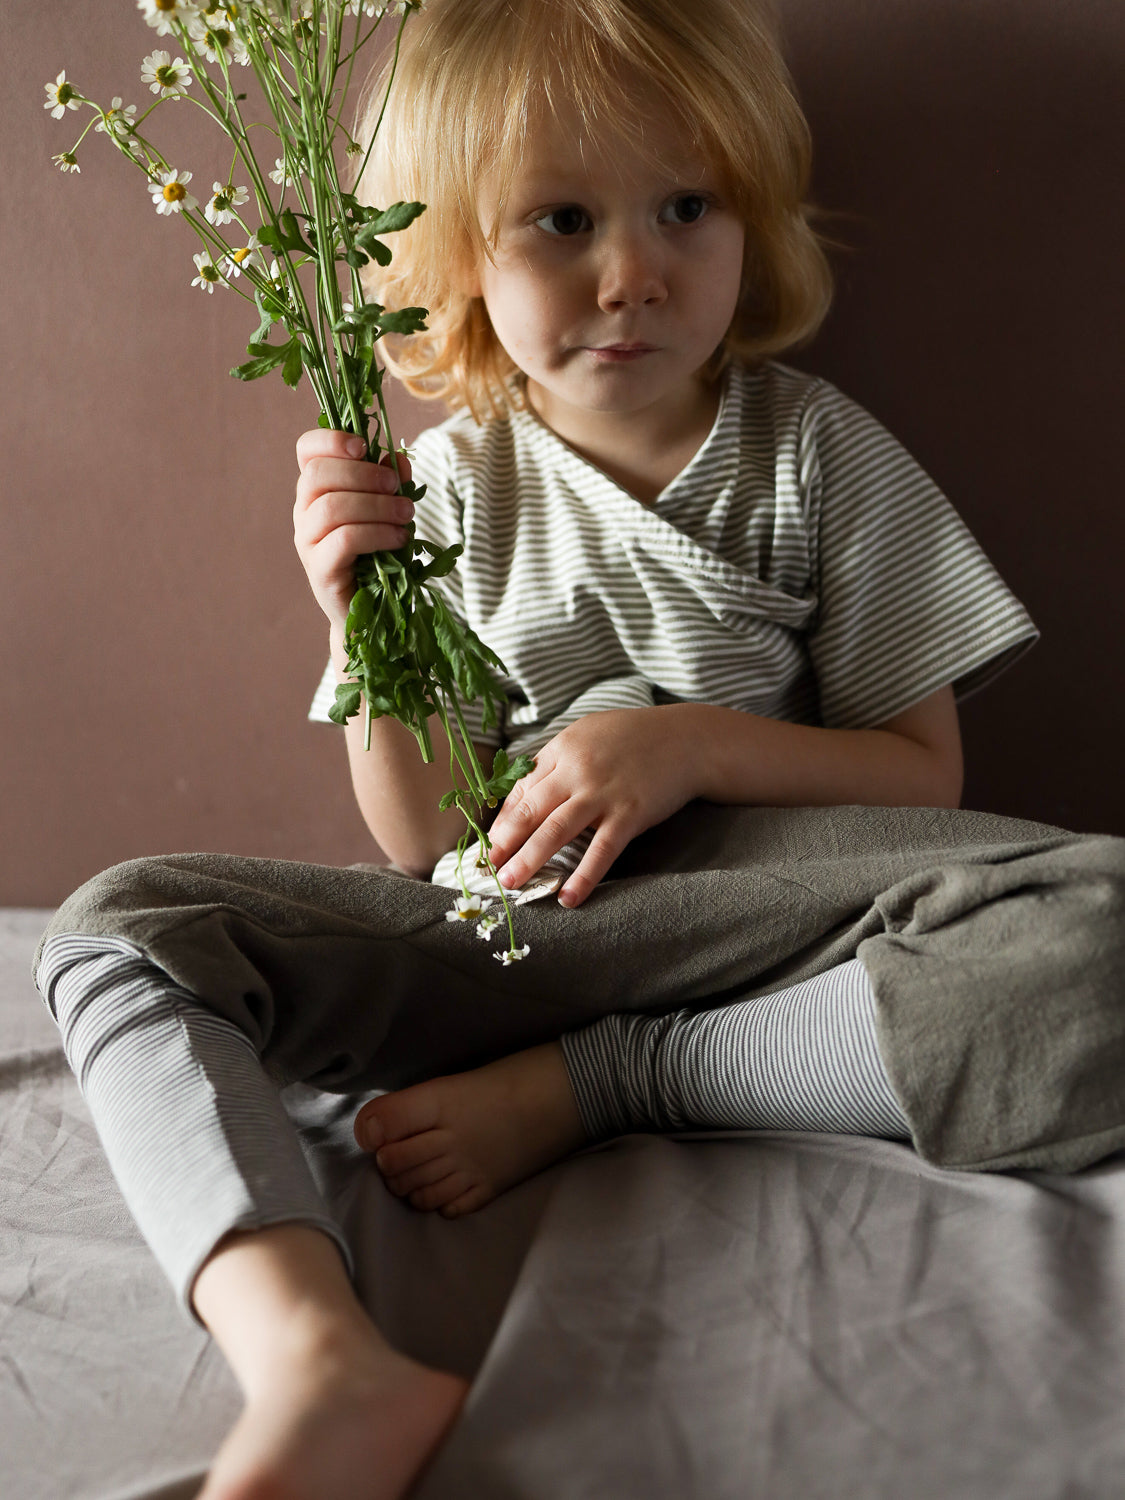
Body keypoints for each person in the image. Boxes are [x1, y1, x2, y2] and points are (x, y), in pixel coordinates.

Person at [33, 1, 1125, 1498]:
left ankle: (625, 1078)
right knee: (121, 932)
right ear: (460, 258)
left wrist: (681, 751)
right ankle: (311, 1357)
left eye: (687, 206)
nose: (634, 271)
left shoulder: (812, 453)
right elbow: (421, 844)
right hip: (515, 930)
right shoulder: (451, 485)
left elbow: (918, 775)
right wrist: (361, 609)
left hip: (794, 928)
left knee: (1102, 926)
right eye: (559, 220)